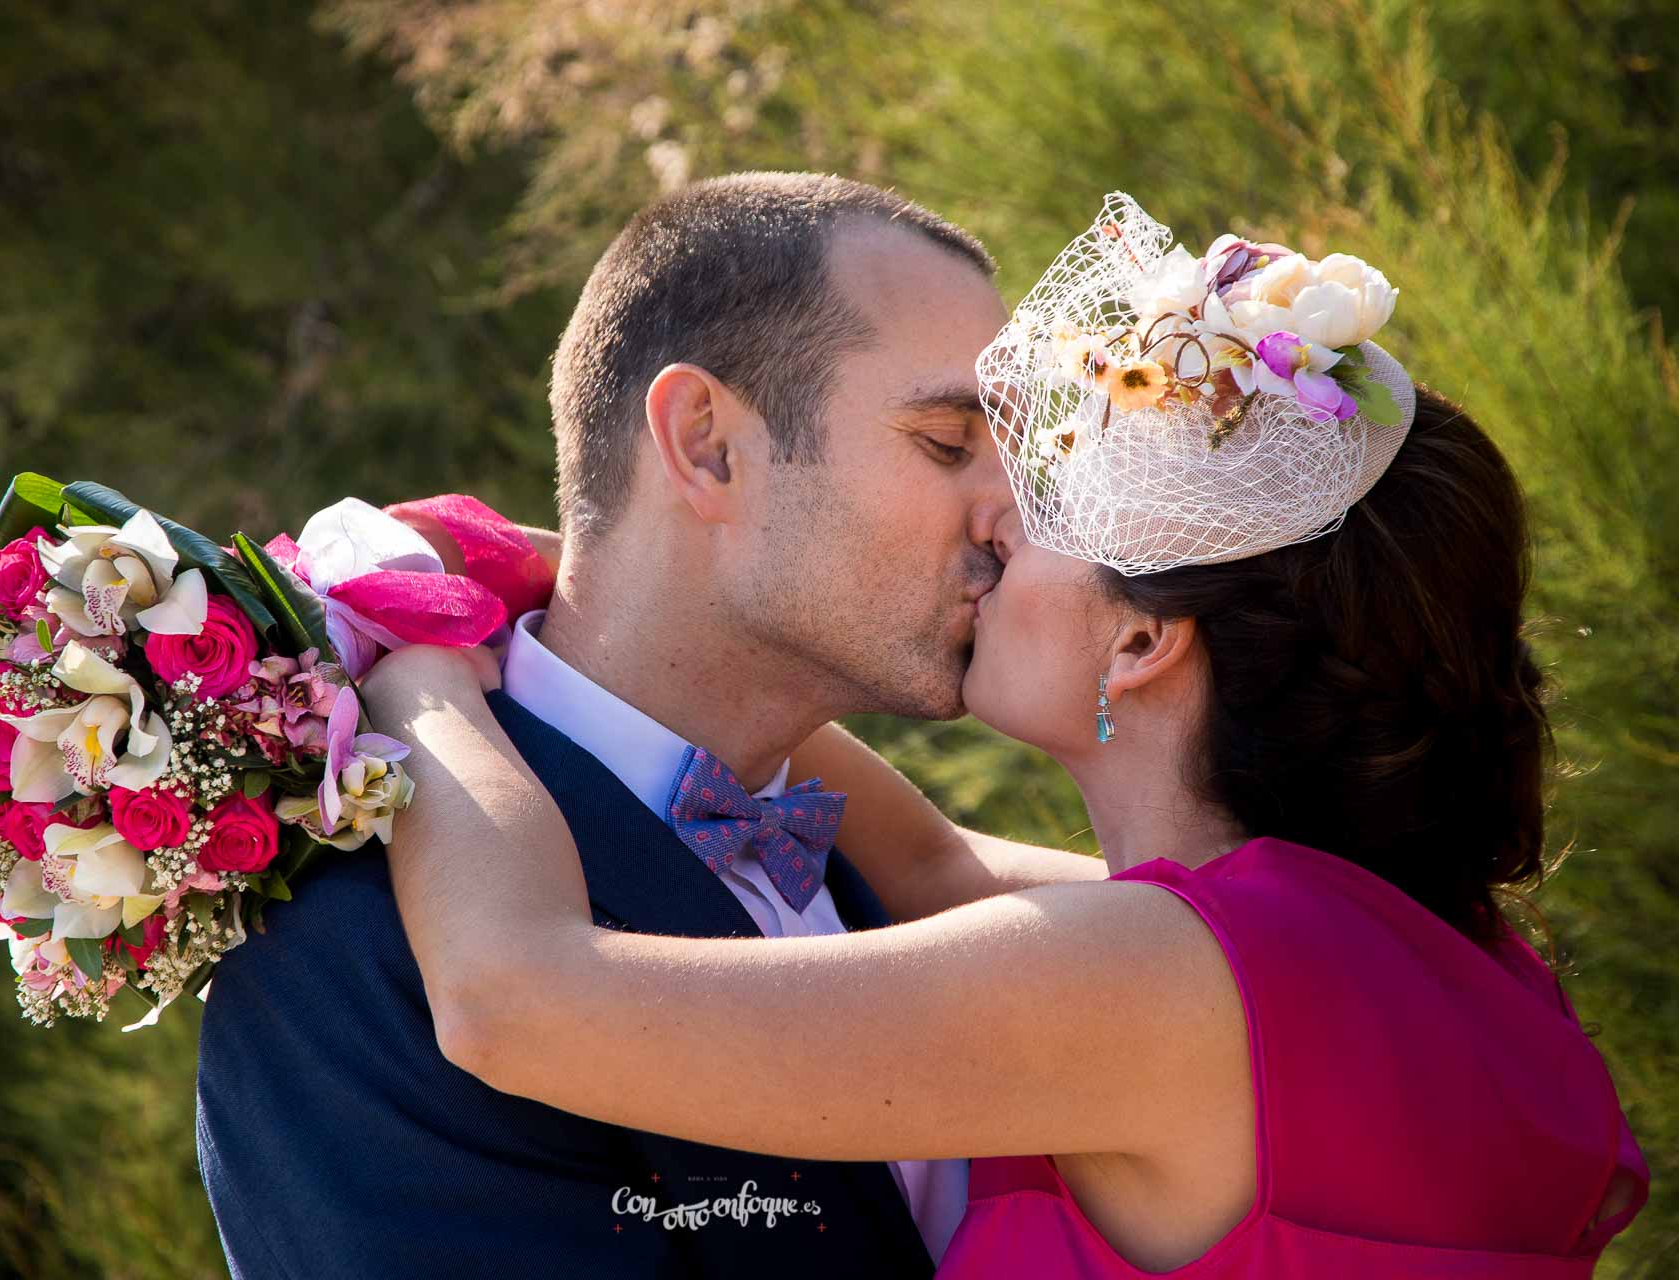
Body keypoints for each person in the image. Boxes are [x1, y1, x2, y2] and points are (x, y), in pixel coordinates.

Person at [365, 196, 1649, 1275]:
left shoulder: (1149, 976)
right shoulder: (1369, 944)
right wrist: (577, 579)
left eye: (1044, 502)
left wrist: (416, 653)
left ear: (1143, 643)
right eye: (958, 453)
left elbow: (514, 999)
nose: (991, 522)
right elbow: (929, 865)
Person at [194, 171, 1095, 1277]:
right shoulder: (356, 956)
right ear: (707, 443)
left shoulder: (882, 868)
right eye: (949, 440)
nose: (1016, 519)